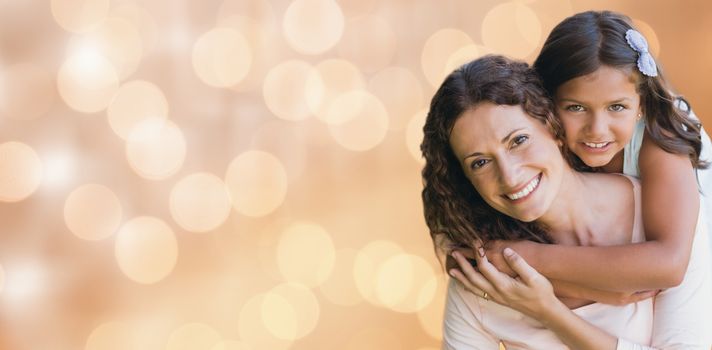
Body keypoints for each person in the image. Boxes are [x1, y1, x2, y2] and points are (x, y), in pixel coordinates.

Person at [420, 55, 712, 349]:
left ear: (554, 127)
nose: (509, 177)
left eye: (518, 141)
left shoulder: (669, 221)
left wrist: (549, 312)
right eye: (480, 162)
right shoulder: (482, 279)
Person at [483, 10, 712, 295]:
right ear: (546, 103)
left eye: (617, 107)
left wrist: (529, 257)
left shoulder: (660, 131)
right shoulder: (539, 141)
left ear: (641, 104)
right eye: (576, 107)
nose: (597, 130)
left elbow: (669, 265)